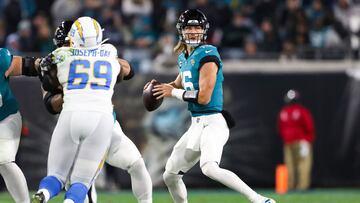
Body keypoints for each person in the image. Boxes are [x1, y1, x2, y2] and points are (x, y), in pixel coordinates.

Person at [151, 9, 276, 203]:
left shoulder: (208, 53)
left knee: (209, 167)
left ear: (204, 31)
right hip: (196, 125)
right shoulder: (184, 57)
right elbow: (177, 83)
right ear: (181, 31)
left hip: (214, 122)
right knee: (170, 175)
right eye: (189, 27)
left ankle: (260, 200)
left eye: (197, 27)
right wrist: (157, 88)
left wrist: (172, 93)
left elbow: (203, 97)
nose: (193, 31)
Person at [30, 16, 121, 203]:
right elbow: (127, 70)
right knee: (83, 181)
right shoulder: (110, 51)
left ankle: (44, 194)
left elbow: (46, 78)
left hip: (72, 114)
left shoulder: (61, 55)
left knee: (56, 175)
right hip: (101, 118)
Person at [0, 48, 30, 203]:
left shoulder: (1, 58)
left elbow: (26, 65)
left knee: (3, 159)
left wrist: (39, 65)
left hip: (6, 117)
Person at [277, 89, 315, 191]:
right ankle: (301, 187)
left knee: (290, 165)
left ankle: (291, 187)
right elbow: (309, 127)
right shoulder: (302, 111)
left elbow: (280, 129)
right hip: (301, 142)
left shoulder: (283, 112)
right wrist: (307, 140)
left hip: (288, 142)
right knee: (303, 165)